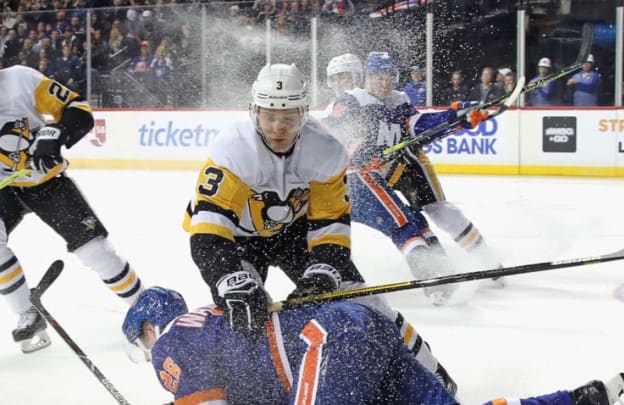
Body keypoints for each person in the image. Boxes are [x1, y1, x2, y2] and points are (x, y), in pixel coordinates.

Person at [185, 62, 457, 394]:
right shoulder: (233, 147)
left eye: (289, 117)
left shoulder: (325, 147)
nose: (277, 127)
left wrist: (325, 268)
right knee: (243, 320)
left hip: (294, 235)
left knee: (369, 305)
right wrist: (227, 278)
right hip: (238, 241)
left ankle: (432, 375)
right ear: (253, 111)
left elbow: (331, 222)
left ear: (304, 113)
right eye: (269, 116)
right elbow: (208, 231)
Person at [123, 286, 624, 405]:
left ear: (149, 327)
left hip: (326, 345)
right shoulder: (208, 317)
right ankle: (585, 399)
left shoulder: (170, 346)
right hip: (358, 330)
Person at [325, 52, 503, 306]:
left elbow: (421, 125)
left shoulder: (399, 101)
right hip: (357, 178)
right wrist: (354, 156)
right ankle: (432, 279)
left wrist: (459, 116)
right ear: (367, 77)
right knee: (403, 225)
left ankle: (449, 272)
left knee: (420, 218)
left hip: (392, 168)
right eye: (378, 77)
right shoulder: (352, 101)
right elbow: (327, 134)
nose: (385, 83)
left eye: (390, 77)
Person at [0, 65, 145, 353]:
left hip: (45, 180)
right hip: (3, 189)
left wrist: (58, 131)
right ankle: (26, 312)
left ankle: (144, 305)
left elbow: (77, 108)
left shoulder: (20, 80)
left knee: (94, 250)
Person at [323, 52, 363, 117]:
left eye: (342, 78)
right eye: (334, 79)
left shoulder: (365, 100)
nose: (337, 84)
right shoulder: (330, 107)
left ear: (356, 79)